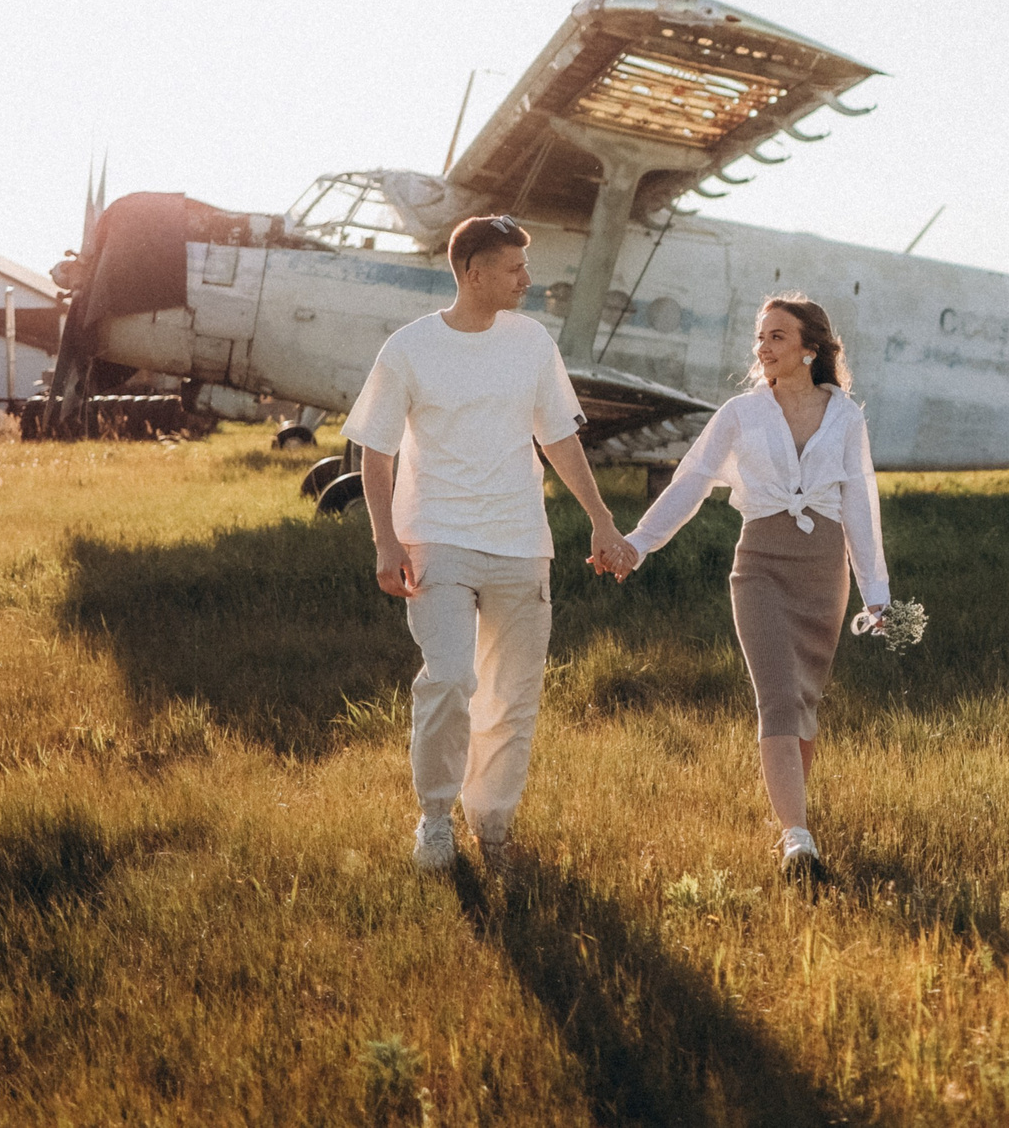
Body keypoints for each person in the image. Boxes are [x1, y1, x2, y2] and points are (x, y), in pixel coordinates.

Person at [343, 213, 636, 875]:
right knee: (449, 677)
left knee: (512, 694)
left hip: (519, 542)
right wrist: (385, 541)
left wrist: (601, 518)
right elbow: (377, 451)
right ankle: (436, 817)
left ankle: (494, 819)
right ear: (472, 272)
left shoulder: (531, 343)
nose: (527, 280)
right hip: (436, 538)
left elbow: (559, 437)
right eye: (514, 268)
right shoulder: (410, 347)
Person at [607, 294, 891, 884]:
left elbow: (861, 503)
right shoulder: (741, 413)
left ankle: (796, 822)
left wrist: (875, 592)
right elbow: (692, 482)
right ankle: (797, 840)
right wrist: (639, 542)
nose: (763, 348)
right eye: (760, 338)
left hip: (822, 569)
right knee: (779, 697)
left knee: (805, 701)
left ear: (810, 347)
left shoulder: (846, 416)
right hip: (759, 563)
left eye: (777, 337)